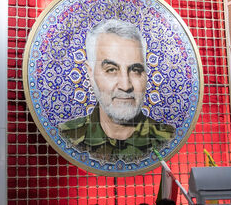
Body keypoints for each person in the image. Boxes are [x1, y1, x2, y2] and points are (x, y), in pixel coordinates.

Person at [58, 19, 175, 163]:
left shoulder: (169, 140)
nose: (125, 86)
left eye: (136, 70)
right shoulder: (66, 138)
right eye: (111, 70)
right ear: (90, 73)